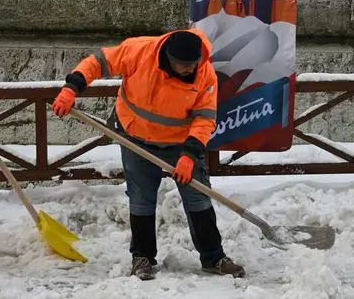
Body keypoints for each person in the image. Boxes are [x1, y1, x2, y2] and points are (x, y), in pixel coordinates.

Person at [52, 28, 245, 280]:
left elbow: (205, 118)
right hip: (136, 136)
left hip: (181, 142)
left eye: (193, 64)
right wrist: (71, 87)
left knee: (198, 197)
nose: (190, 70)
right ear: (168, 57)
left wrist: (189, 156)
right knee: (141, 198)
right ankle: (142, 257)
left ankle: (213, 257)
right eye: (183, 65)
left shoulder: (204, 73)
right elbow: (97, 62)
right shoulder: (138, 51)